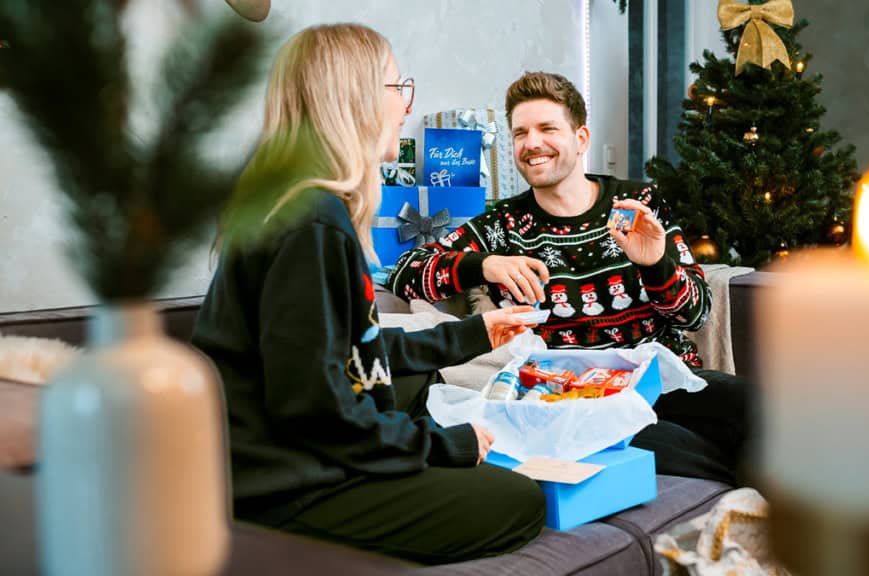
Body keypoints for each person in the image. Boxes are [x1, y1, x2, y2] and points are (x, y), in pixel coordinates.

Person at [190, 24, 545, 565]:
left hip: (273, 450)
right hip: (280, 483)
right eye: (397, 88)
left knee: (416, 383)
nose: (405, 106)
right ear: (352, 97)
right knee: (519, 502)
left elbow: (351, 350)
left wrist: (473, 334)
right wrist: (443, 446)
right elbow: (314, 410)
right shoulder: (312, 223)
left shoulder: (299, 202)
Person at [389, 71, 752, 486]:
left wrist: (656, 264)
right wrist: (485, 265)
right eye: (520, 133)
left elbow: (697, 314)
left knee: (762, 408)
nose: (532, 143)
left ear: (581, 139)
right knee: (690, 454)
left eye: (547, 128)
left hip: (664, 382)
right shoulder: (503, 226)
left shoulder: (637, 203)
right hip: (577, 402)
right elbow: (405, 273)